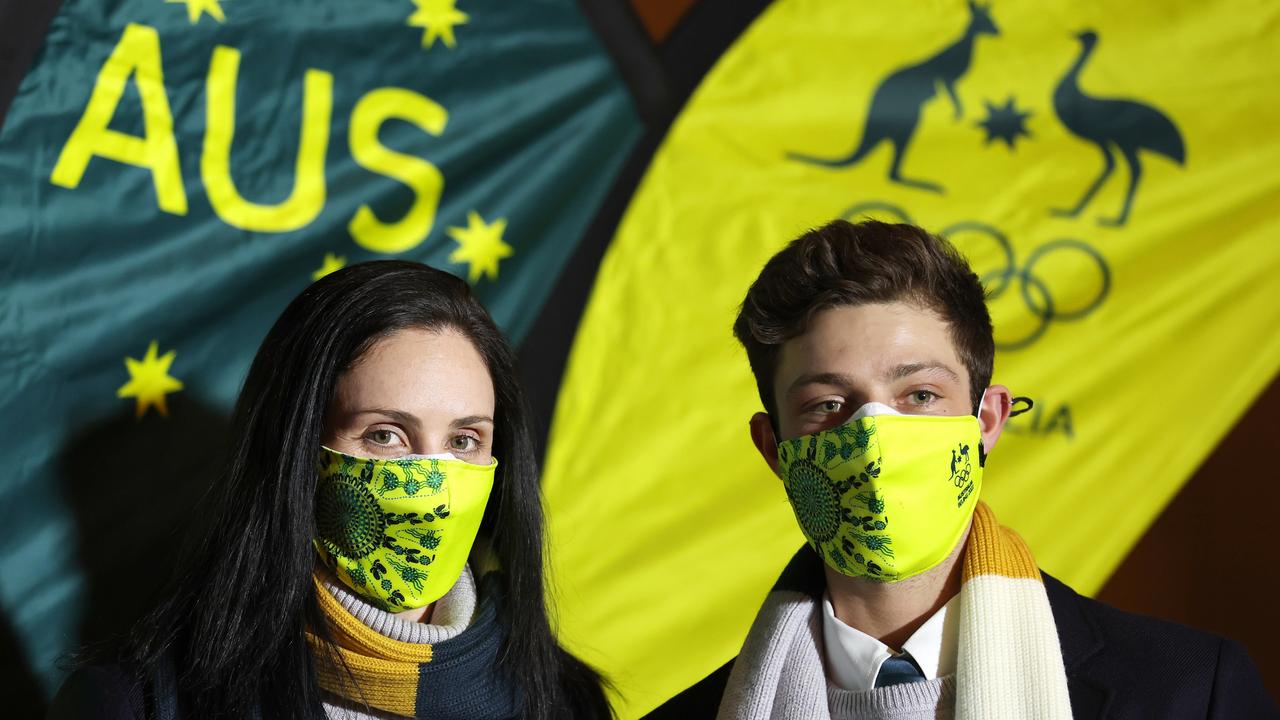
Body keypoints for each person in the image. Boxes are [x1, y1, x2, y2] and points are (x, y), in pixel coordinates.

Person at [697, 220, 1273, 719]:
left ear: (987, 420)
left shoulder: (1191, 695)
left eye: (920, 395)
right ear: (774, 448)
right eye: (828, 405)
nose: (873, 442)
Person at [49, 261, 612, 719]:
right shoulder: (139, 704)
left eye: (465, 440)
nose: (433, 485)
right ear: (296, 452)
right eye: (386, 435)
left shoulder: (567, 704)